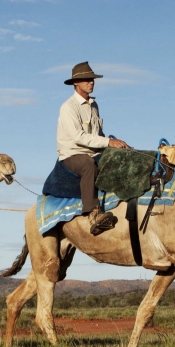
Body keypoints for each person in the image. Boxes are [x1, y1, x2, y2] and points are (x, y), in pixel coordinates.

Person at [57, 61, 130, 235]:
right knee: (88, 165)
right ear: (76, 83)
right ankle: (93, 213)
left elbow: (98, 133)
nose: (91, 82)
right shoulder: (68, 107)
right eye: (87, 79)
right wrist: (107, 143)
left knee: (125, 156)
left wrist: (114, 143)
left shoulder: (94, 105)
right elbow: (78, 137)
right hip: (73, 154)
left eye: (92, 79)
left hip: (94, 151)